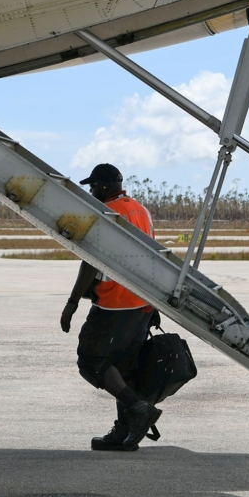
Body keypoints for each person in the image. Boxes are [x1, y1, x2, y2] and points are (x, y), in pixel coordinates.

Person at [59, 163, 161, 452]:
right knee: (123, 367)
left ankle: (139, 409)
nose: (91, 191)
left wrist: (72, 302)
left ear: (103, 186)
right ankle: (124, 432)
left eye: (93, 186)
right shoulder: (140, 210)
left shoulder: (106, 213)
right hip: (142, 300)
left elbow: (91, 262)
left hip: (116, 301)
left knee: (91, 359)